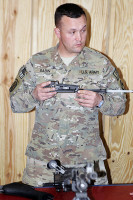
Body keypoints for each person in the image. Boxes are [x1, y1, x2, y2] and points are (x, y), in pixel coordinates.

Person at [9, 3, 126, 187]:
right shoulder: (38, 62)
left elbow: (121, 105)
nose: (79, 38)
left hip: (87, 162)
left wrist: (100, 101)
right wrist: (33, 95)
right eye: (72, 32)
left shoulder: (100, 64)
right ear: (58, 32)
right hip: (43, 163)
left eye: (83, 30)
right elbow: (14, 103)